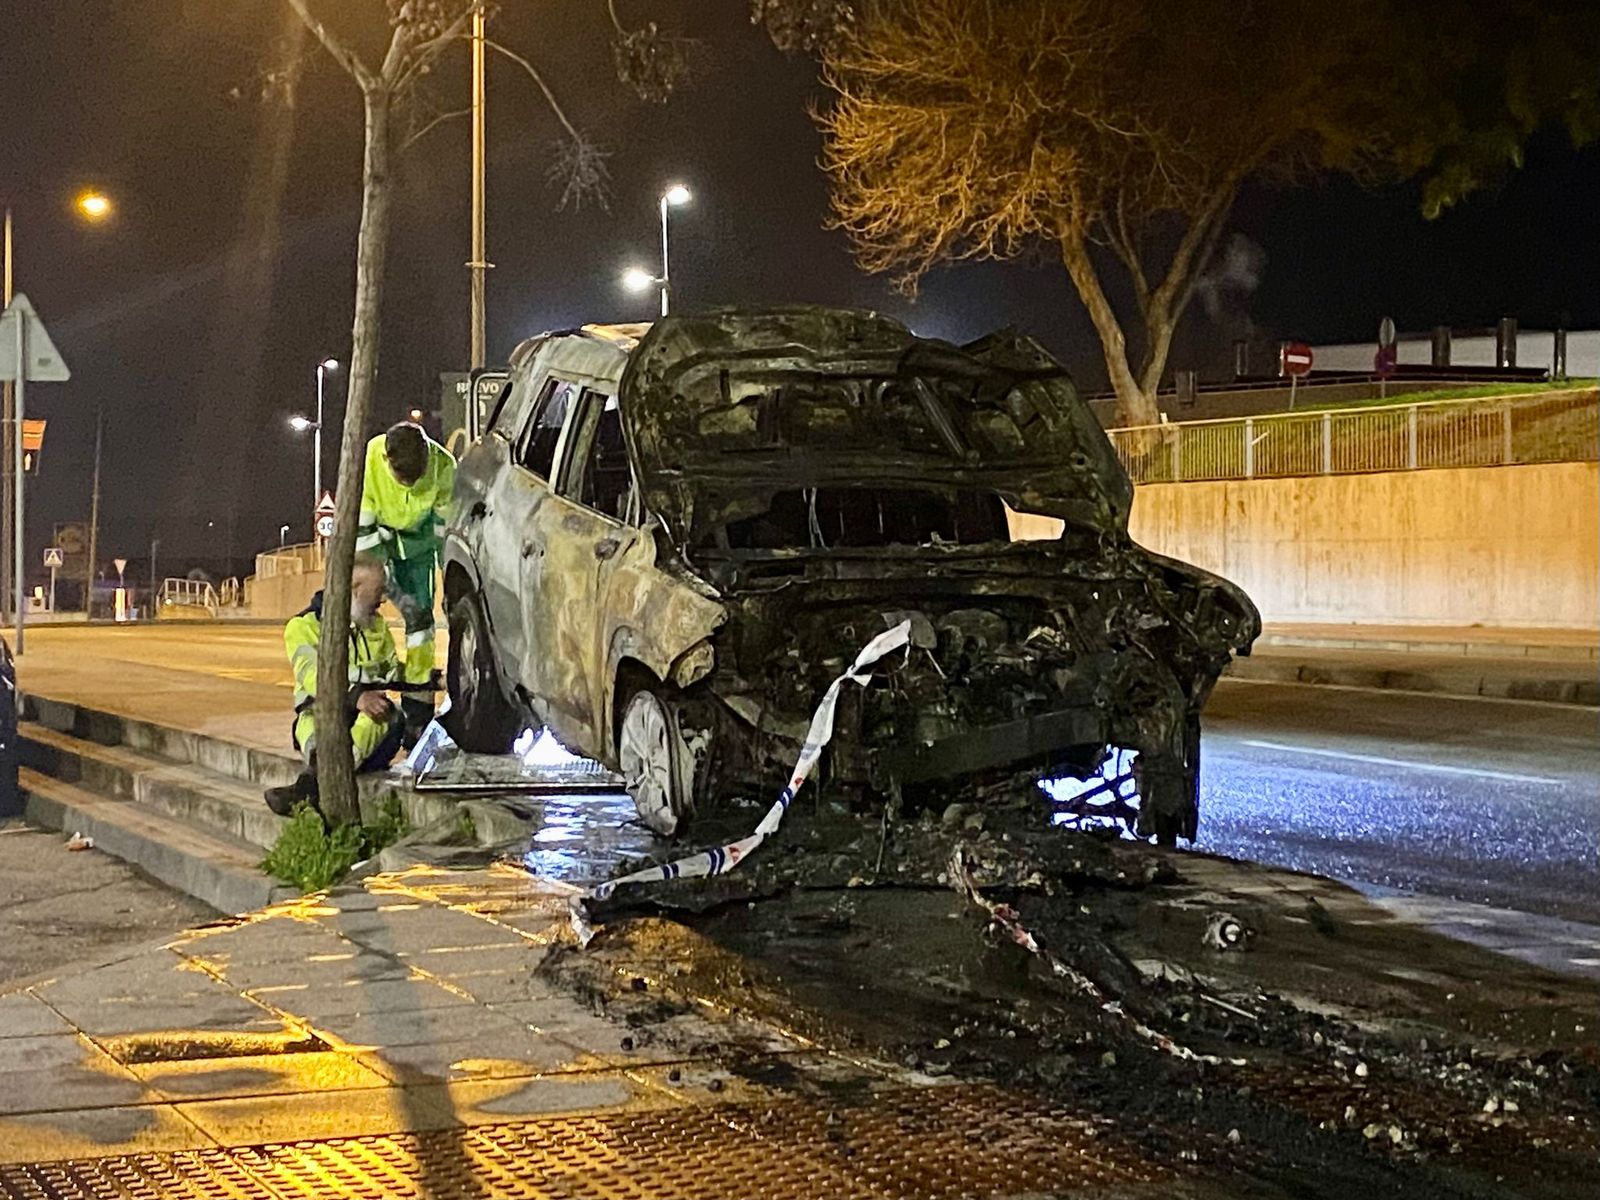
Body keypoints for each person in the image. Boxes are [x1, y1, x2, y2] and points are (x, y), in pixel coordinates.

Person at [264, 555, 403, 815]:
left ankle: (307, 789)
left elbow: (394, 671)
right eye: (378, 590)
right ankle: (317, 784)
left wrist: (435, 678)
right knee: (313, 722)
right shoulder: (302, 626)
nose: (383, 599)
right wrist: (356, 696)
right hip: (320, 714)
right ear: (354, 588)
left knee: (382, 713)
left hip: (366, 722)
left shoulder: (376, 626)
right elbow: (314, 676)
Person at [355, 421, 455, 746]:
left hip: (418, 550)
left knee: (421, 625)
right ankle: (360, 698)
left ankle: (418, 714)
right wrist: (378, 579)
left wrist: (450, 583)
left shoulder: (443, 467)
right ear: (387, 459)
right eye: (404, 480)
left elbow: (444, 533)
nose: (411, 486)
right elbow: (363, 526)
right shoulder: (370, 458)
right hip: (376, 544)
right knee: (362, 619)